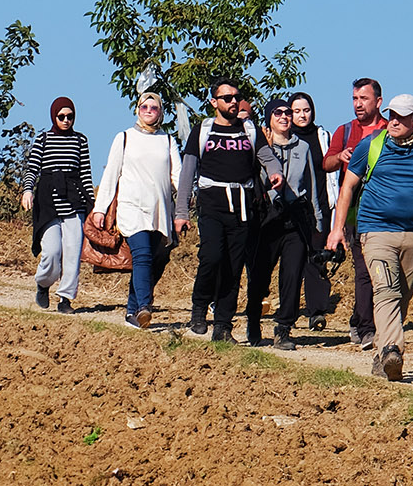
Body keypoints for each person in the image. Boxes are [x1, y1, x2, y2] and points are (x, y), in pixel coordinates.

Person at [325, 93, 413, 382]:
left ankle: (381, 355)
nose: (394, 121)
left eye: (402, 117)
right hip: (375, 232)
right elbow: (347, 187)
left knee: (403, 294)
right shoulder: (371, 145)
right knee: (386, 290)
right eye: (392, 115)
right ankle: (391, 350)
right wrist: (337, 229)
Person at [176, 80, 264, 342]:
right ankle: (200, 307)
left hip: (241, 206)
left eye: (237, 97)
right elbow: (187, 172)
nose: (233, 102)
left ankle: (223, 326)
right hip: (212, 203)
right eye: (227, 98)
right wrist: (181, 212)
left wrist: (276, 174)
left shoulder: (249, 130)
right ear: (214, 102)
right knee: (212, 257)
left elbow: (266, 157)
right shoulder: (202, 130)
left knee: (234, 267)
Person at [94, 92, 181, 331]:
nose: (149, 111)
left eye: (154, 108)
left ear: (161, 112)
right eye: (144, 106)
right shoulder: (124, 138)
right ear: (137, 109)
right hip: (132, 208)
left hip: (159, 211)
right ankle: (145, 306)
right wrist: (100, 209)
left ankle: (132, 311)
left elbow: (178, 176)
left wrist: (185, 204)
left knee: (150, 260)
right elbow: (110, 175)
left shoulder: (168, 140)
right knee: (142, 255)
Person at [252, 96, 324, 351]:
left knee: (292, 274)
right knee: (260, 273)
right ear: (269, 118)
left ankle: (284, 328)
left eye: (287, 112)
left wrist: (317, 220)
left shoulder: (303, 147)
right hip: (268, 217)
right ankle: (253, 322)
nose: (284, 117)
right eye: (278, 113)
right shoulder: (260, 146)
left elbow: (312, 184)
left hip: (296, 217)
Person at [324, 78, 389, 350]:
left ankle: (359, 317)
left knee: (381, 270)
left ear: (378, 101)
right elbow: (325, 163)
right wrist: (340, 158)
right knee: (364, 268)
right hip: (353, 209)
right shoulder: (345, 130)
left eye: (363, 98)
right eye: (354, 99)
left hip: (385, 209)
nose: (358, 104)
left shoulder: (390, 130)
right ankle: (366, 328)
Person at [21, 97, 94, 310]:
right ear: (54, 116)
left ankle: (65, 298)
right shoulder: (43, 139)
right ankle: (43, 283)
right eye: (61, 116)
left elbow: (85, 175)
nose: (66, 120)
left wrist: (92, 204)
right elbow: (32, 169)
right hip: (48, 202)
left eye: (70, 116)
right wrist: (27, 190)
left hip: (74, 201)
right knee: (52, 251)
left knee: (72, 253)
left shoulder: (81, 140)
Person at [288, 92, 337, 330]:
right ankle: (288, 309)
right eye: (296, 111)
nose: (302, 115)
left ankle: (316, 311)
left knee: (317, 259)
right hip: (292, 208)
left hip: (320, 205)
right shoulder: (285, 137)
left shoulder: (322, 136)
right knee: (291, 259)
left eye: (305, 110)